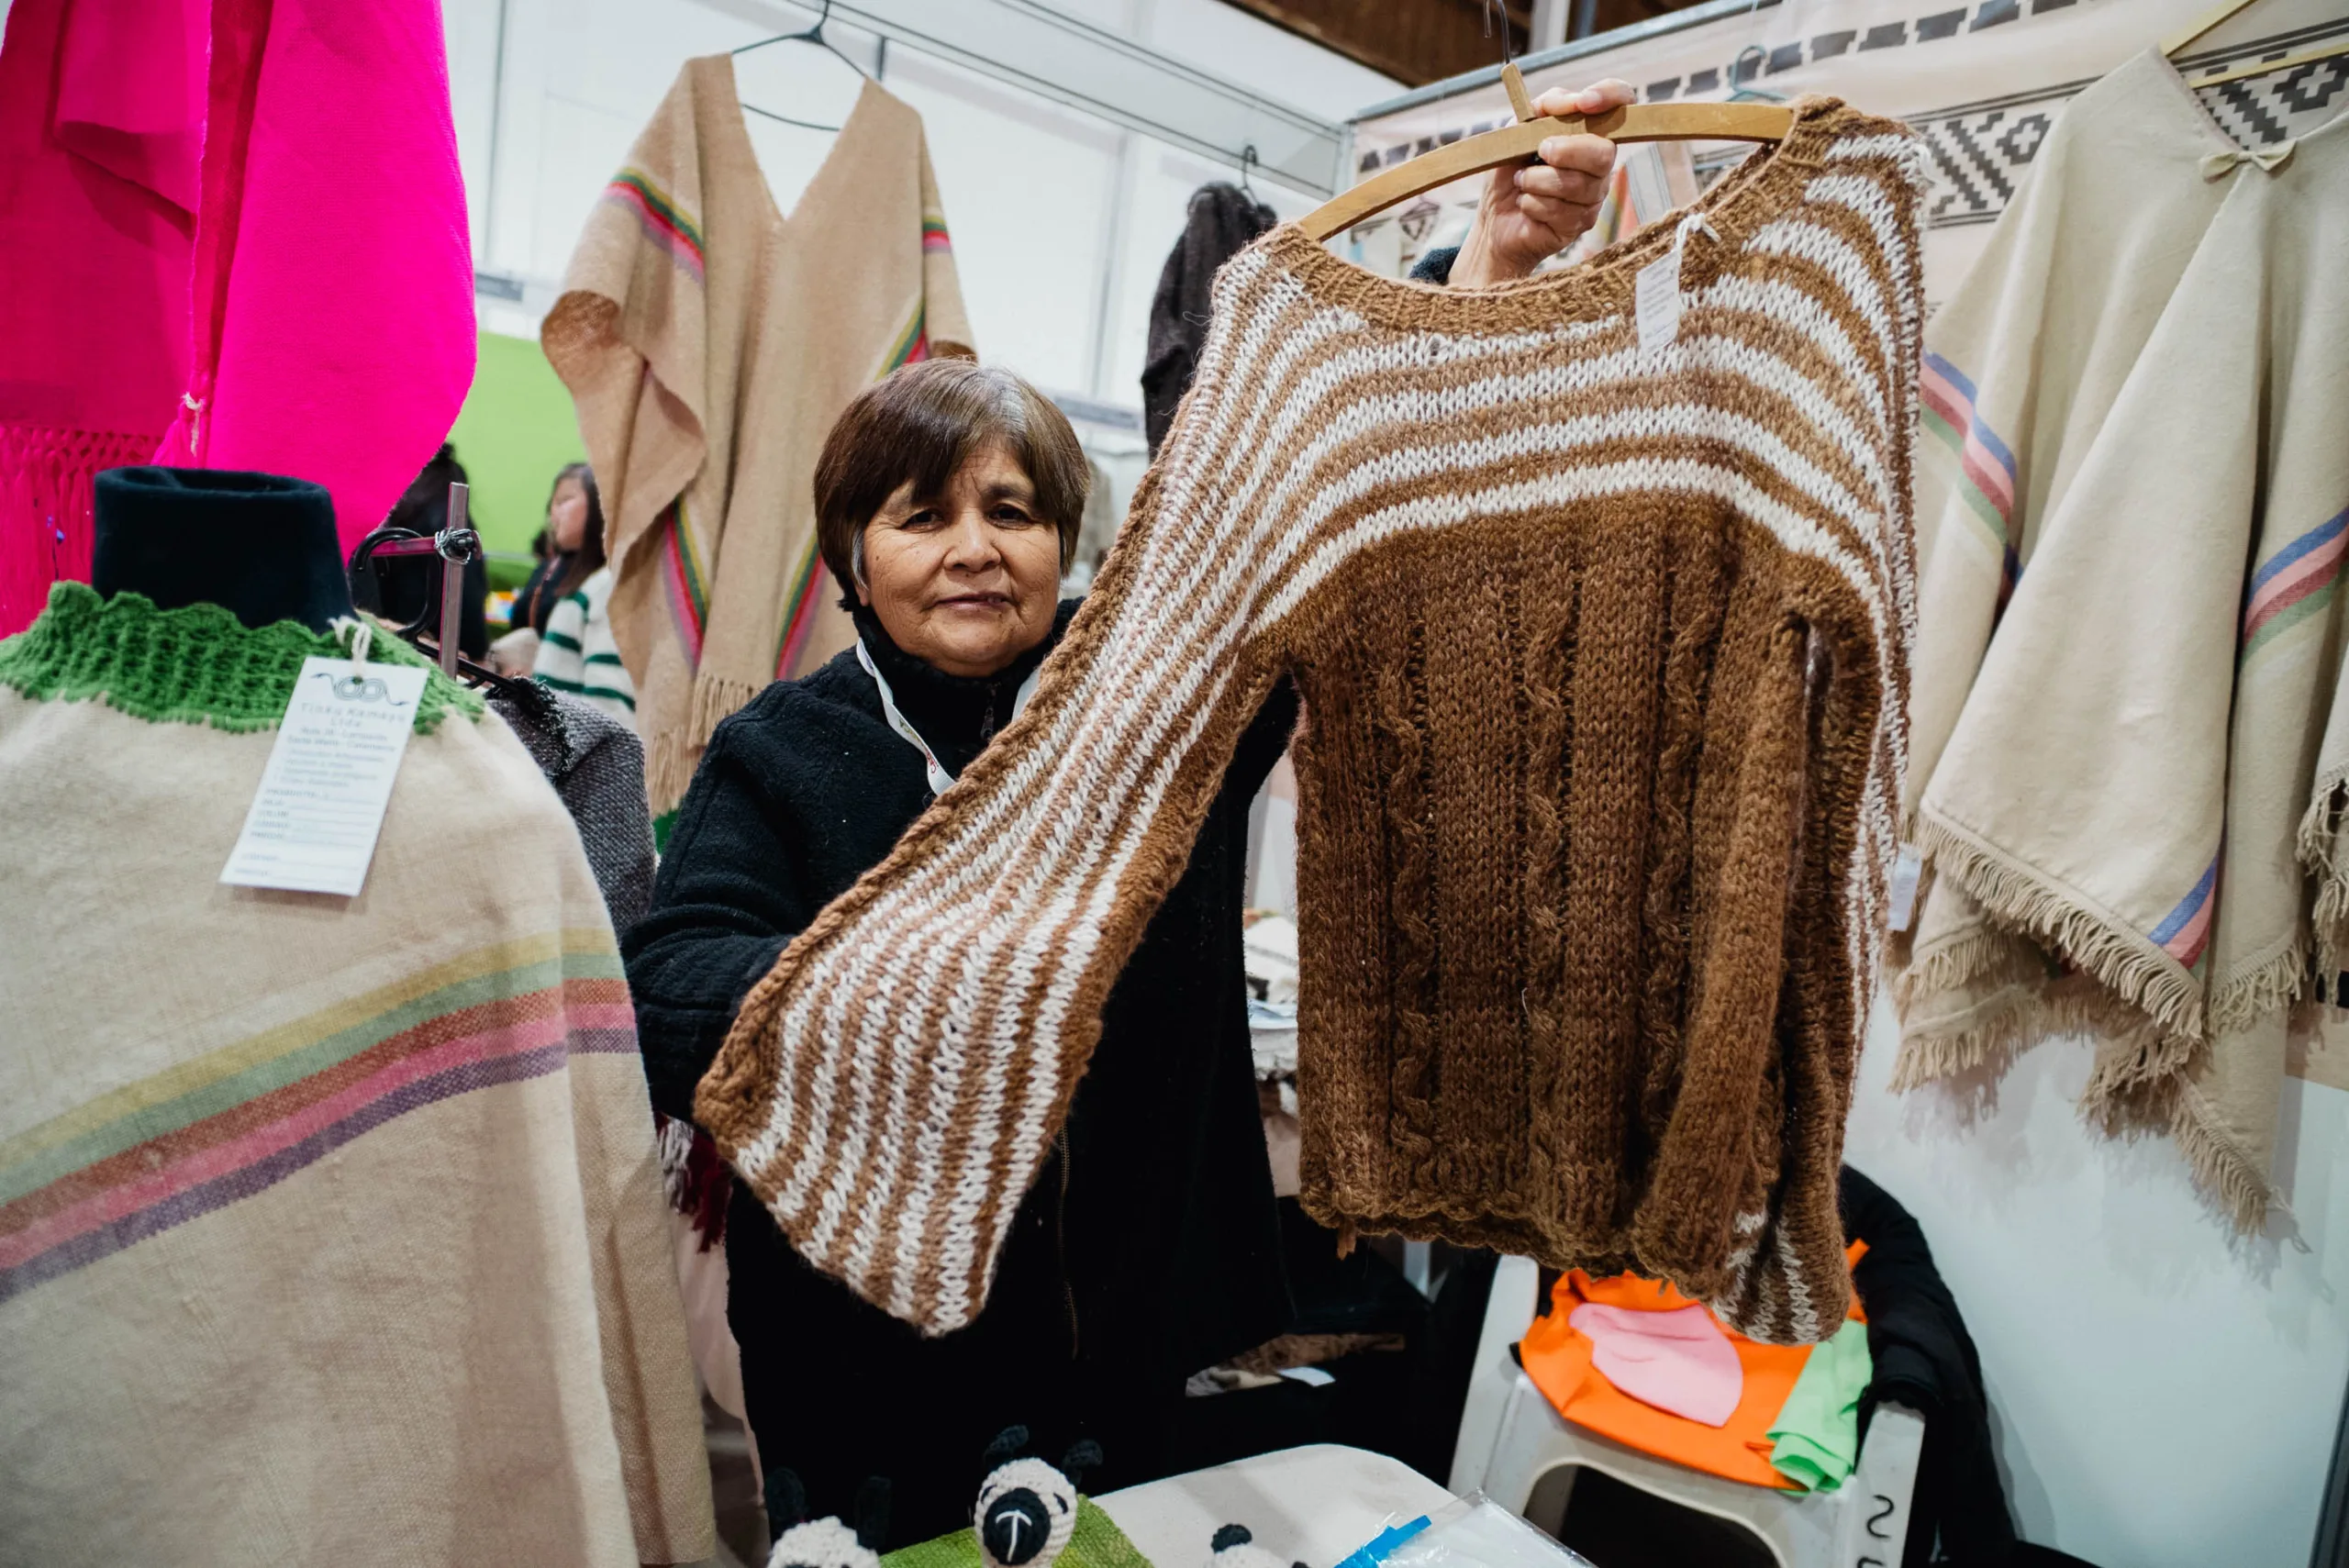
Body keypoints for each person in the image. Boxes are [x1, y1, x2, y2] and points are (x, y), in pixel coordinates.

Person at [623, 80, 1635, 1544]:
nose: (974, 550)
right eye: (920, 516)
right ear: (851, 557)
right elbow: (672, 983)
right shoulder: (783, 752)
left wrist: (1482, 273)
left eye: (1013, 510)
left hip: (1123, 1343)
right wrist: (929, 978)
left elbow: (1318, 510)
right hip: (859, 1362)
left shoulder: (1157, 703)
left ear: (1062, 539)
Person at [351, 443, 490, 657]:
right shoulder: (449, 520)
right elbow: (469, 600)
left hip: (394, 642)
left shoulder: (405, 518)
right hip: (423, 646)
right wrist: (477, 653)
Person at [509, 461, 605, 634]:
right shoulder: (551, 566)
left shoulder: (606, 576)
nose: (553, 511)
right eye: (552, 503)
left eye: (564, 500)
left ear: (599, 504)